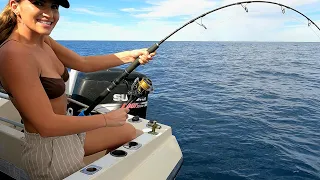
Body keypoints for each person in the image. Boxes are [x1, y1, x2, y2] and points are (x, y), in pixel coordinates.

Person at [0, 0, 156, 179]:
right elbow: (47, 126)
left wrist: (130, 55)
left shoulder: (44, 41)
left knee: (128, 132)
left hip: (68, 135)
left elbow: (83, 63)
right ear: (14, 6)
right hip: (50, 152)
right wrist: (106, 119)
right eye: (39, 3)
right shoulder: (14, 55)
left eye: (54, 7)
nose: (49, 14)